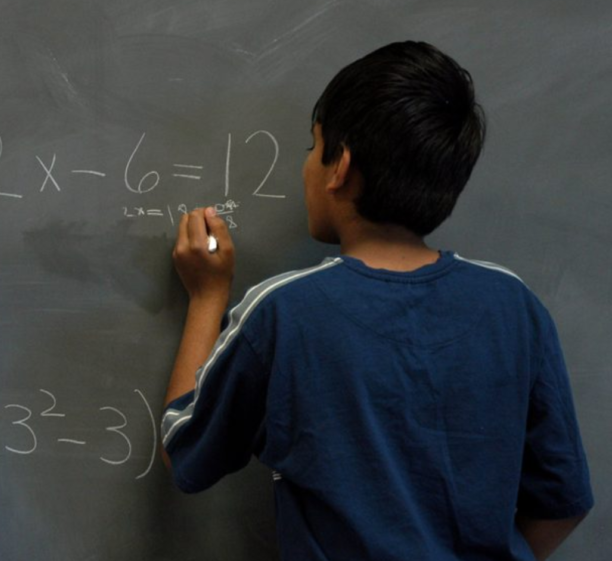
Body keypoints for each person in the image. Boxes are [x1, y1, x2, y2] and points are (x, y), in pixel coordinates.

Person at [161, 41, 592, 561]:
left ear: (339, 165)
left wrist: (208, 298)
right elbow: (563, 502)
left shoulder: (285, 309)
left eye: (312, 147)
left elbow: (185, 454)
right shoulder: (514, 305)